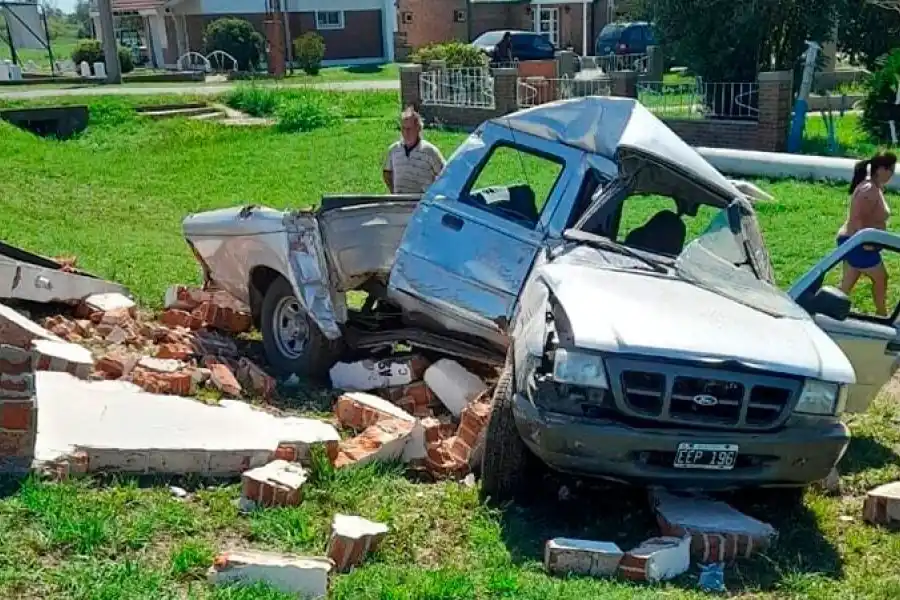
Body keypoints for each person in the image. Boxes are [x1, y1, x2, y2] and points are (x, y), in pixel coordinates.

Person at [836, 151, 897, 316]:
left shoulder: (875, 187)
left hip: (856, 242)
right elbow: (857, 217)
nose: (892, 174)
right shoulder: (868, 189)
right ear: (881, 170)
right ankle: (882, 315)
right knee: (881, 278)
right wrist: (866, 242)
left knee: (847, 284)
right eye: (891, 169)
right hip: (857, 243)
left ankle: (826, 309)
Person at [382, 106, 446, 195]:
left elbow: (445, 175)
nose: (406, 132)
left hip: (421, 202)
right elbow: (386, 172)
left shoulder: (430, 151)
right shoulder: (394, 150)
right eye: (403, 128)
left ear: (418, 128)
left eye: (409, 129)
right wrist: (393, 192)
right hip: (399, 201)